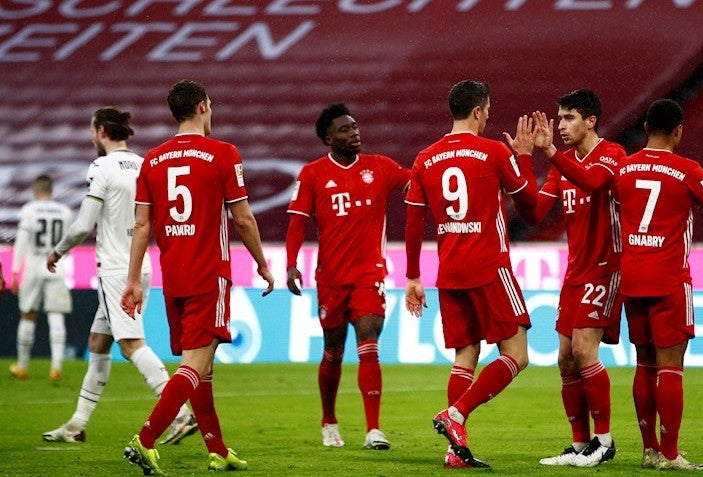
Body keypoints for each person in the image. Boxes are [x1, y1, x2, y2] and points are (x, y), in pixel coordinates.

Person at [120, 79, 275, 475]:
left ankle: (217, 449)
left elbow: (141, 226)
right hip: (209, 274)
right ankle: (146, 438)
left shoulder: (152, 160)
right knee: (194, 364)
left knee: (203, 368)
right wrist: (261, 262)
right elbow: (241, 218)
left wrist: (133, 280)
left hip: (174, 274)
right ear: (204, 107)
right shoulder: (223, 153)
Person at [403, 79, 539, 470]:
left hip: (449, 272)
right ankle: (456, 415)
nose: (489, 117)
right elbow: (529, 203)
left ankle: (455, 451)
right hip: (489, 267)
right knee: (517, 354)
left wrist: (413, 276)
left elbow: (414, 220)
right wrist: (525, 156)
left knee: (465, 356)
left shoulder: (425, 158)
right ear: (478, 111)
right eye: (488, 111)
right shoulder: (493, 151)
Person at [42, 107, 197, 445]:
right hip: (140, 264)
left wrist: (57, 252)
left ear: (100, 131)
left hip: (115, 270)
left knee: (131, 344)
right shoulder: (145, 165)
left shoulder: (102, 166)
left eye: (91, 131)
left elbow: (84, 224)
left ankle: (180, 413)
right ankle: (76, 425)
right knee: (99, 343)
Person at [285, 103, 410, 449]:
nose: (354, 133)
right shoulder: (312, 174)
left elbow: (418, 182)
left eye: (355, 127)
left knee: (369, 340)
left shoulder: (380, 167)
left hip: (370, 274)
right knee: (333, 350)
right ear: (328, 138)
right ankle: (329, 419)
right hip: (331, 278)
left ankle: (374, 429)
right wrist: (291, 263)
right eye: (344, 129)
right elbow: (297, 221)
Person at [615, 99, 703, 470]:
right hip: (669, 279)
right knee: (670, 367)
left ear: (646, 127)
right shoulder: (688, 170)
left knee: (643, 364)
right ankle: (670, 453)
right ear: (678, 131)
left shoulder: (624, 168)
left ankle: (648, 450)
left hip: (632, 277)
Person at [517, 90, 625, 467]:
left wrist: (550, 155)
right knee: (565, 359)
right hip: (575, 272)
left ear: (591, 121)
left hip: (607, 268)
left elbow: (594, 183)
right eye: (559, 118)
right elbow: (535, 211)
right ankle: (580, 445)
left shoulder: (612, 155)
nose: (561, 126)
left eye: (569, 118)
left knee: (583, 350)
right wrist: (523, 159)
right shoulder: (563, 168)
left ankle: (604, 441)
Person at [9, 174, 73, 381]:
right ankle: (56, 368)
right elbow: (70, 240)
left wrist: (15, 271)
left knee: (28, 314)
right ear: (51, 190)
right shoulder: (64, 212)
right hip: (56, 267)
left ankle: (23, 366)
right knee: (56, 315)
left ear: (36, 190)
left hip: (33, 268)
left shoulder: (29, 210)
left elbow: (21, 242)